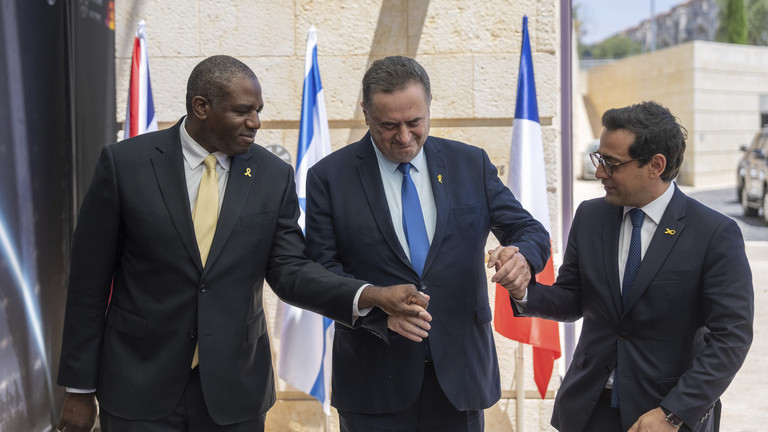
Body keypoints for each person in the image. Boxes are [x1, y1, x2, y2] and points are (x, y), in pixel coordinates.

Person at [55, 55, 431, 432]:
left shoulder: (272, 176)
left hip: (236, 394)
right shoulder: (124, 165)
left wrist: (372, 296)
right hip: (137, 387)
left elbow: (291, 272)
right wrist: (79, 389)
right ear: (201, 107)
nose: (256, 122)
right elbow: (88, 284)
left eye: (258, 110)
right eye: (242, 111)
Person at [304, 55, 551, 431]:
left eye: (414, 122)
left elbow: (530, 231)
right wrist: (377, 310)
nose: (404, 137)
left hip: (461, 380)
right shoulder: (329, 177)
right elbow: (320, 273)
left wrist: (524, 259)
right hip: (372, 383)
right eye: (389, 125)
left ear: (429, 108)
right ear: (366, 114)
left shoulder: (470, 163)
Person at [503, 101, 754, 432]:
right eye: (599, 159)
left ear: (655, 165)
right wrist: (523, 291)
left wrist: (673, 413)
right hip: (587, 411)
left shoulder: (714, 234)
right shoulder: (590, 217)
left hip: (662, 417)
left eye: (611, 163)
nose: (599, 172)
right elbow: (573, 297)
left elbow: (730, 337)